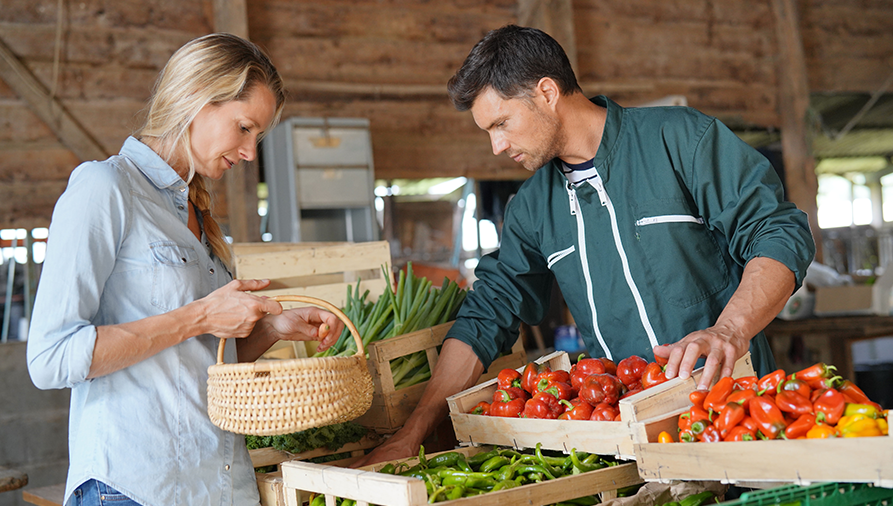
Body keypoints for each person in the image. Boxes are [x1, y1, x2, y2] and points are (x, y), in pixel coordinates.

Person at [356, 24, 815, 465]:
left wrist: (729, 330)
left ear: (547, 93)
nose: (496, 146)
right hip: (621, 435)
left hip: (735, 411)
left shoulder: (679, 140)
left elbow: (779, 232)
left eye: (501, 123)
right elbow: (487, 314)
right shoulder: (533, 208)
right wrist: (412, 433)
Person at [27, 33, 344, 506]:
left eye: (258, 135)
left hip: (218, 489)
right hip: (134, 489)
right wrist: (198, 316)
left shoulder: (197, 215)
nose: (250, 152)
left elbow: (198, 361)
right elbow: (50, 358)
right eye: (244, 128)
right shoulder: (106, 189)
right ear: (197, 100)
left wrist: (271, 329)